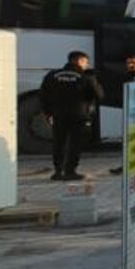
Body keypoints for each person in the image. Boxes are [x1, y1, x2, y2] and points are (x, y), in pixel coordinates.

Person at [38, 50, 104, 181]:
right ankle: (70, 171)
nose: (87, 65)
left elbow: (43, 95)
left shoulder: (52, 75)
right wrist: (94, 81)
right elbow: (99, 95)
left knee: (59, 142)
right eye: (86, 62)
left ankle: (58, 171)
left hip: (58, 114)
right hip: (79, 115)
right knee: (75, 143)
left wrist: (47, 113)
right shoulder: (85, 77)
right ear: (79, 61)